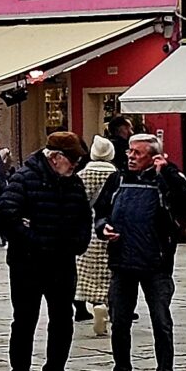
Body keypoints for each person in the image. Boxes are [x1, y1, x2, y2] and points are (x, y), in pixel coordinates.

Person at [0, 130, 92, 371]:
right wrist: (33, 239)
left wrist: (79, 242)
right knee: (25, 319)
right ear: (55, 158)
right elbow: (6, 215)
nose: (74, 167)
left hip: (62, 261)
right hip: (27, 262)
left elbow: (84, 216)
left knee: (63, 320)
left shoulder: (73, 183)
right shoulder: (24, 178)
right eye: (71, 161)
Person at [97, 131, 186, 371]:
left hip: (156, 264)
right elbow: (100, 211)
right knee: (120, 323)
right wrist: (102, 227)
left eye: (137, 153)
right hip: (122, 261)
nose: (130, 156)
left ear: (153, 157)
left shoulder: (166, 179)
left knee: (161, 322)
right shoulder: (117, 179)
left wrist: (169, 173)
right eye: (130, 151)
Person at [74, 136, 117, 323]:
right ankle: (107, 304)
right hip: (108, 225)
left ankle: (81, 308)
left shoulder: (82, 174)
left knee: (83, 269)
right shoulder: (116, 174)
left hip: (86, 226)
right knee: (108, 268)